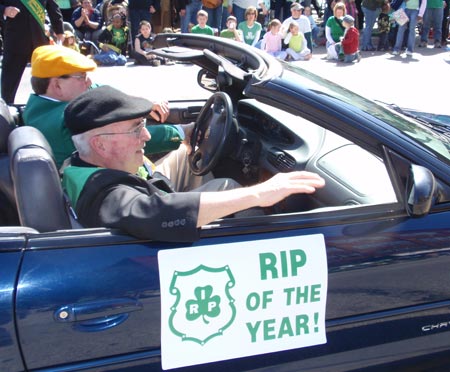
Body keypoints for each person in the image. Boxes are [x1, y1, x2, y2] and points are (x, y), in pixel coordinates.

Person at [62, 85, 325, 242]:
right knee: (231, 188)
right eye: (135, 129)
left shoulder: (84, 164)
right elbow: (156, 212)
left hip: (151, 184)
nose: (146, 135)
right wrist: (259, 193)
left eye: (144, 125)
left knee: (188, 152)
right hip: (158, 214)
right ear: (100, 143)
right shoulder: (102, 195)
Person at [21, 45, 186, 173]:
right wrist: (182, 132)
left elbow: (99, 90)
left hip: (115, 181)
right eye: (82, 77)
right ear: (57, 84)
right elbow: (127, 142)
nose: (89, 82)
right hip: (119, 190)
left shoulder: (37, 107)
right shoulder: (68, 120)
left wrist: (143, 104)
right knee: (189, 158)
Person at [0, 0, 64, 105]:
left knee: (46, 81)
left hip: (39, 40)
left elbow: (52, 7)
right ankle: (6, 109)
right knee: (9, 81)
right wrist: (4, 10)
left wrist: (59, 31)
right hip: (15, 40)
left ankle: (46, 107)